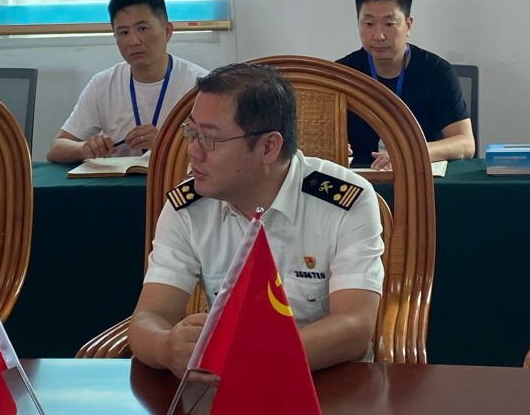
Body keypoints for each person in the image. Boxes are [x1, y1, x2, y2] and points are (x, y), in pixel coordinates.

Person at [129, 63, 384, 375]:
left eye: (209, 139)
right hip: (224, 387)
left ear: (268, 147)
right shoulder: (187, 208)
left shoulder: (345, 200)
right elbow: (148, 318)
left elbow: (355, 327)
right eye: (191, 132)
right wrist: (166, 347)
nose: (193, 151)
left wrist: (247, 358)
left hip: (327, 382)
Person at [47, 0, 209, 162]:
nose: (133, 41)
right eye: (123, 32)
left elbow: (220, 150)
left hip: (176, 179)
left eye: (142, 29)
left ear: (167, 31)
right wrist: (84, 148)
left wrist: (166, 145)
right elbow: (56, 148)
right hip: (119, 180)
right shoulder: (103, 84)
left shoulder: (201, 84)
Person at [335, 0, 474, 169]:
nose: (378, 36)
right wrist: (330, 148)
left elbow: (466, 144)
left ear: (408, 25)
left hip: (418, 175)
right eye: (369, 24)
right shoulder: (340, 74)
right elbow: (312, 141)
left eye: (389, 24)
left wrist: (410, 153)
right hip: (359, 179)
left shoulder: (436, 71)